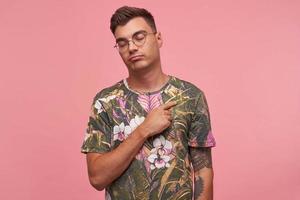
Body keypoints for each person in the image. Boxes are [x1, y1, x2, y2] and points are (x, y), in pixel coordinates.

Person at [81, 5, 216, 200]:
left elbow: (203, 172)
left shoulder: (190, 96)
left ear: (158, 38)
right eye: (122, 43)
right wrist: (143, 130)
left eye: (139, 37)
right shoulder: (105, 102)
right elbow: (97, 178)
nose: (132, 47)